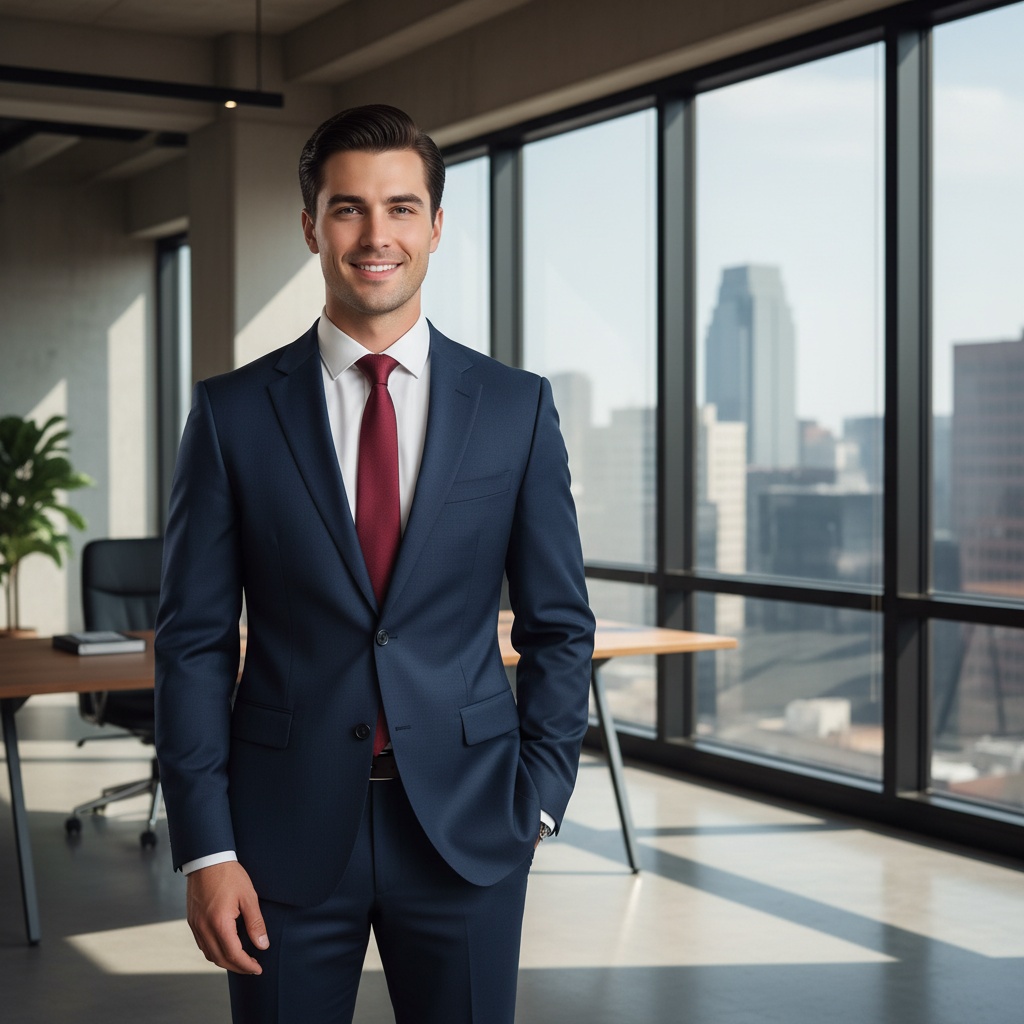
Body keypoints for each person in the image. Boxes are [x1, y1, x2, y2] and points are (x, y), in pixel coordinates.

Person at [154, 104, 595, 1024]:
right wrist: (207, 848)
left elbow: (559, 625)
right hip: (277, 835)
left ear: (435, 226)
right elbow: (193, 644)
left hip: (469, 827)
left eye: (401, 208)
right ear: (311, 226)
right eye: (348, 208)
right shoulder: (232, 415)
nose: (375, 235)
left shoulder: (515, 408)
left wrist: (541, 798)